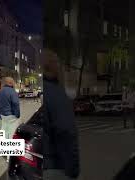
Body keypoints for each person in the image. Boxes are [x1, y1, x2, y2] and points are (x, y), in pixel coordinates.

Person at [42, 49, 80, 180]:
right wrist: (73, 170)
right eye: (58, 64)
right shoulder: (56, 94)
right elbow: (67, 133)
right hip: (53, 167)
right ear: (53, 67)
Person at [0, 77, 20, 162]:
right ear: (11, 83)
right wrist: (17, 115)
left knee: (4, 133)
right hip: (11, 116)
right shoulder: (12, 92)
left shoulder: (1, 91)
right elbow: (15, 104)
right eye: (13, 82)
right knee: (12, 135)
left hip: (3, 115)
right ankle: (9, 157)